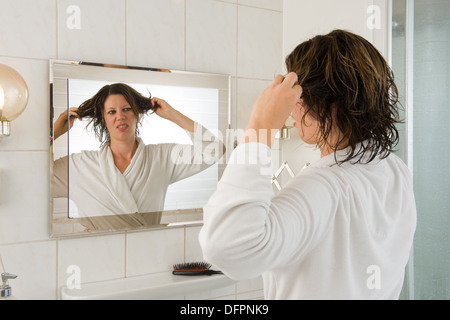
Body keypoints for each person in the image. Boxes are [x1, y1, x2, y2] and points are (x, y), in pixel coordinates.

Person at [199, 29, 417, 299]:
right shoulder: (395, 170)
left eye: (296, 95)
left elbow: (227, 248)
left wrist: (260, 127)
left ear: (330, 105)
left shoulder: (324, 186)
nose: (292, 108)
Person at [52, 83, 221, 231]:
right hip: (97, 256)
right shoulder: (78, 166)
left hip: (146, 255)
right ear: (103, 120)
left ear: (137, 114)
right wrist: (55, 131)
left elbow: (214, 150)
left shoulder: (162, 158)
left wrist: (172, 114)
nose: (120, 116)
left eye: (126, 109)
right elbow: (33, 179)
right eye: (111, 112)